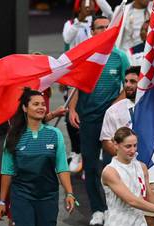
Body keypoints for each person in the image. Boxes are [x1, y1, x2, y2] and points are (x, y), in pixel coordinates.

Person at [0, 88, 76, 226]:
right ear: (25, 108)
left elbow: (62, 167)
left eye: (43, 104)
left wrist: (70, 193)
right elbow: (7, 171)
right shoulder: (13, 136)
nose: (41, 107)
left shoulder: (54, 135)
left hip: (47, 197)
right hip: (22, 196)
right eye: (36, 104)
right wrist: (2, 201)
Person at [69, 15, 130, 226]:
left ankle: (117, 207)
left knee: (114, 163)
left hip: (113, 122)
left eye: (107, 27)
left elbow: (130, 85)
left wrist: (114, 107)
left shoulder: (120, 57)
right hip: (89, 119)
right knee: (92, 166)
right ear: (92, 31)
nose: (104, 30)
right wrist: (72, 109)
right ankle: (98, 209)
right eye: (99, 27)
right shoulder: (86, 56)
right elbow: (78, 85)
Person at [99, 66, 154, 226]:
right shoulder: (114, 111)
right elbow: (106, 139)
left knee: (149, 219)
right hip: (123, 172)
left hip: (152, 170)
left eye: (133, 81)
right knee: (125, 216)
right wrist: (125, 156)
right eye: (127, 81)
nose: (129, 85)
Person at [62, 0, 96, 173]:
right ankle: (76, 151)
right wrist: (79, 20)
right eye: (85, 3)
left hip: (93, 71)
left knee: (91, 110)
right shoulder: (70, 24)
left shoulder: (97, 23)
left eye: (91, 3)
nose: (88, 6)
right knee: (71, 112)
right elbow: (67, 38)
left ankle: (91, 153)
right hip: (75, 72)